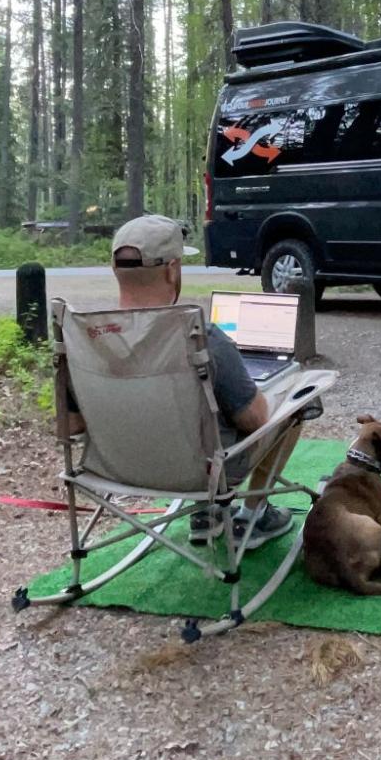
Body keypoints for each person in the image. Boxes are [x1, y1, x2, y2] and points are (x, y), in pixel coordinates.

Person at [109, 214, 305, 538]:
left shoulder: (88, 339)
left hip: (116, 466)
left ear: (115, 269)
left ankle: (206, 515)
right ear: (172, 270)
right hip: (205, 471)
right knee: (295, 404)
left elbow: (73, 425)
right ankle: (254, 516)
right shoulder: (202, 338)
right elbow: (254, 420)